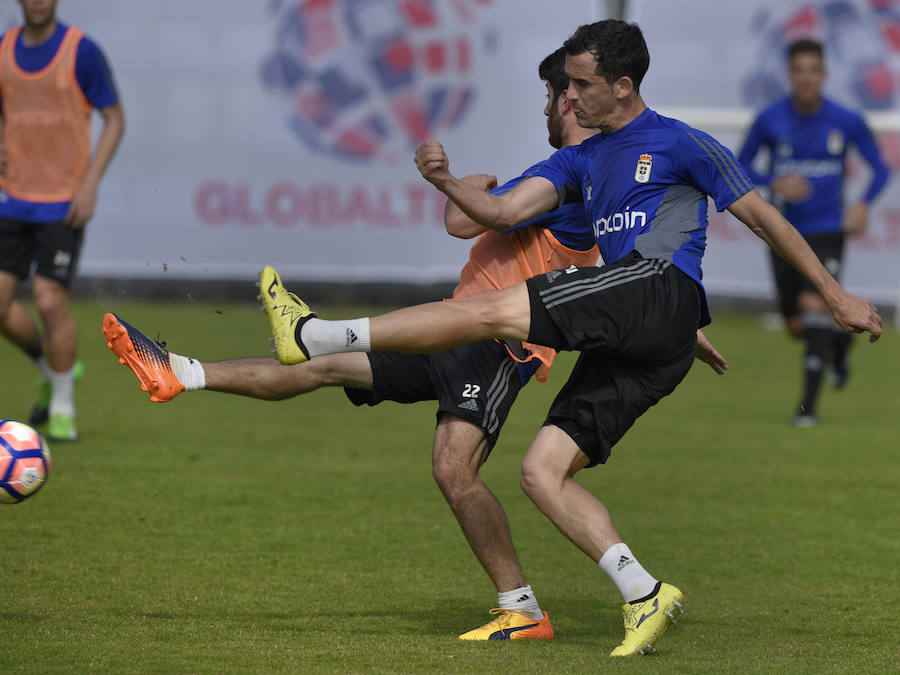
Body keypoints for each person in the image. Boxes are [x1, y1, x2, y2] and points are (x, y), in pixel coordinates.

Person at [258, 20, 882, 657]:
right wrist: (444, 179)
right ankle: (643, 592)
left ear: (623, 84)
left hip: (657, 288)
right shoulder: (578, 160)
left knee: (490, 311)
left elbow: (762, 215)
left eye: (581, 85)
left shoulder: (680, 142)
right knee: (541, 471)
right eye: (566, 88)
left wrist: (834, 294)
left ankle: (317, 334)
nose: (568, 98)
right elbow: (498, 213)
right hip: (650, 338)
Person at [103, 47, 657, 641]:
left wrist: (454, 182)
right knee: (322, 367)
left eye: (551, 98)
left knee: (453, 467)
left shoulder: (575, 174)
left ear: (565, 100)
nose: (547, 109)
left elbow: (468, 220)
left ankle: (524, 609)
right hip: (452, 330)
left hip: (499, 343)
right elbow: (474, 218)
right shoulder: (565, 172)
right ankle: (180, 372)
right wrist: (464, 191)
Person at [737, 38, 889, 427]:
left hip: (826, 231)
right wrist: (775, 181)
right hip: (783, 231)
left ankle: (807, 410)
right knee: (796, 325)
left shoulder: (846, 119)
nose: (806, 78)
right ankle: (839, 346)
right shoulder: (771, 118)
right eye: (798, 70)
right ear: (791, 74)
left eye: (812, 71)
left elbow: (881, 168)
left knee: (815, 308)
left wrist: (862, 203)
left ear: (823, 74)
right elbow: (738, 167)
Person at [0, 0, 124, 441]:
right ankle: (49, 369)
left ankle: (63, 407)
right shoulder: (3, 49)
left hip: (62, 201)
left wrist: (90, 183)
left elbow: (114, 119)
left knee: (51, 302)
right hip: (12, 199)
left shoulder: (80, 51)